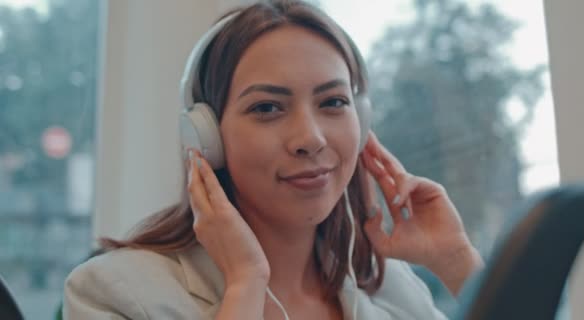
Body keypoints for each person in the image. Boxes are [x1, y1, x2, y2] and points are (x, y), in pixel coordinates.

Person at [63, 0, 483, 319]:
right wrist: (245, 287)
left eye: (333, 101)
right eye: (267, 108)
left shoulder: (391, 288)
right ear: (206, 136)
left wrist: (458, 263)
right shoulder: (112, 292)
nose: (311, 139)